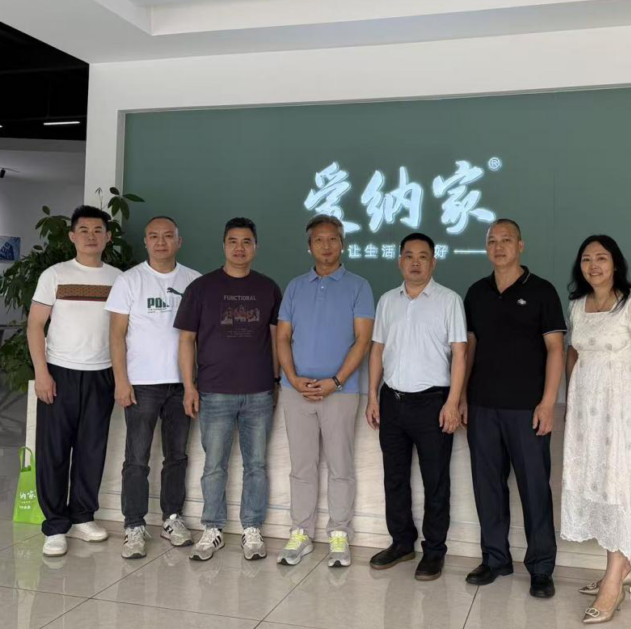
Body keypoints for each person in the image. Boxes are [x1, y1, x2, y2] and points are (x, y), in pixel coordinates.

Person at [562, 235, 631, 625]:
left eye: (601, 258)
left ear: (615, 263)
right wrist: (572, 399)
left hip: (621, 408)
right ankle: (621, 568)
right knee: (597, 482)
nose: (593, 265)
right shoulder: (577, 305)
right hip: (587, 412)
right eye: (586, 259)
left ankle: (613, 582)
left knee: (619, 484)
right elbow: (574, 352)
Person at [462, 218, 565, 598]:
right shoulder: (477, 292)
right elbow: (469, 349)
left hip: (527, 409)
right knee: (487, 487)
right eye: (492, 241)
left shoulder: (542, 291)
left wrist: (548, 403)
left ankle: (541, 567)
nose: (499, 246)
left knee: (534, 488)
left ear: (520, 245)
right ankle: (495, 559)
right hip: (483, 407)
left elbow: (555, 349)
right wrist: (462, 398)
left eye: (506, 240)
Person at [174, 217, 282, 562]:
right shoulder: (201, 288)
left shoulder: (268, 288)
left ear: (256, 247)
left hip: (259, 392)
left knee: (256, 465)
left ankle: (252, 528)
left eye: (247, 241)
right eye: (233, 241)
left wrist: (276, 380)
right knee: (214, 466)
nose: (240, 248)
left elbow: (276, 339)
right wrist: (189, 386)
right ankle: (213, 527)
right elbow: (186, 340)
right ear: (223, 245)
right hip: (214, 392)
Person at [366, 232, 467, 581]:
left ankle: (434, 550)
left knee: (435, 480)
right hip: (392, 401)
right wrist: (372, 396)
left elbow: (460, 353)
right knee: (394, 477)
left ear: (433, 262)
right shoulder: (387, 301)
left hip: (433, 403)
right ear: (400, 261)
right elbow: (377, 350)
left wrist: (452, 402)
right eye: (409, 256)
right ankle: (401, 542)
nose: (415, 263)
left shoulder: (449, 300)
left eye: (423, 256)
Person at [275, 215, 374, 567]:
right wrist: (292, 377)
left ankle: (339, 534)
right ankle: (300, 533)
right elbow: (282, 337)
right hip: (296, 390)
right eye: (319, 240)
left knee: (340, 465)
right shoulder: (295, 287)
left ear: (342, 244)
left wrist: (336, 381)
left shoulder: (359, 286)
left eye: (333, 239)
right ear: (309, 246)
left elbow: (363, 340)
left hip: (341, 392)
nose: (326, 245)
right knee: (301, 466)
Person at [28, 205, 121, 557]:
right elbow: (35, 325)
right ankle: (55, 525)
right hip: (60, 373)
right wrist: (41, 373)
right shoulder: (54, 275)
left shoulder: (119, 279)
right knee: (53, 450)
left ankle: (82, 516)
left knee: (91, 449)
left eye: (98, 231)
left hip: (102, 373)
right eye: (84, 230)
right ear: (72, 236)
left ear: (108, 237)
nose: (91, 236)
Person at [106, 215, 201, 559]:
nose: (161, 242)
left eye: (168, 236)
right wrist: (121, 380)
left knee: (177, 456)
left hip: (181, 384)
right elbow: (116, 335)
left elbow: (200, 336)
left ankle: (172, 519)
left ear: (179, 241)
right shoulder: (129, 280)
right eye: (153, 236)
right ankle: (134, 525)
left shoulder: (194, 281)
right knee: (137, 458)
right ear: (145, 242)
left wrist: (192, 384)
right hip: (141, 384)